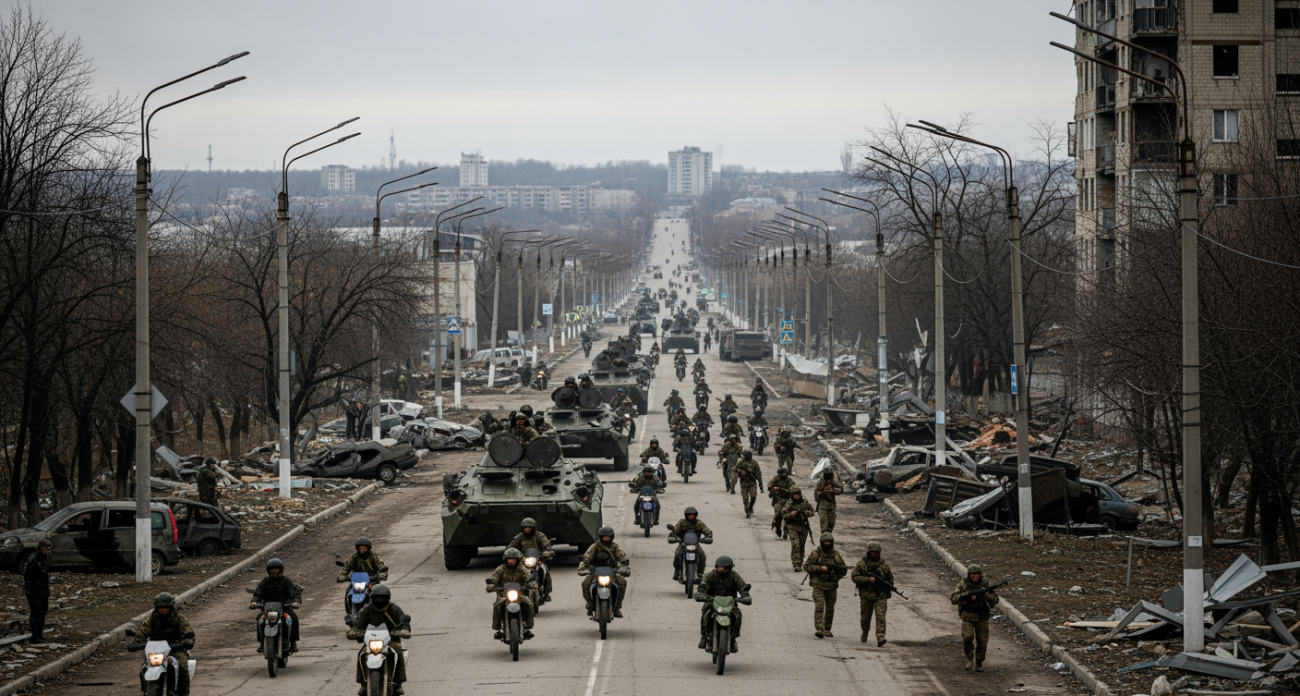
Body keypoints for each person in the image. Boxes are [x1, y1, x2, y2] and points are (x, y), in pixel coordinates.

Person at [347, 584, 410, 695]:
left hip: (391, 640)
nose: (379, 600)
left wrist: (404, 628)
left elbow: (402, 620)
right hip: (371, 640)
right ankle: (363, 683)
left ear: (388, 598)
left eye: (382, 597)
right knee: (361, 654)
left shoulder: (393, 608)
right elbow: (358, 620)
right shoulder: (367, 609)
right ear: (372, 598)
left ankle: (398, 683)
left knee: (399, 652)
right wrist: (355, 629)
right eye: (377, 597)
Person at [129, 594, 194, 696]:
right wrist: (137, 641)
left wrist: (188, 640)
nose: (163, 610)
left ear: (171, 607)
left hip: (175, 649)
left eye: (166, 608)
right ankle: (145, 688)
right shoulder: (151, 619)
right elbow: (142, 631)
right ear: (156, 608)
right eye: (161, 608)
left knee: (182, 668)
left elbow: (188, 631)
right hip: (156, 649)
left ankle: (183, 693)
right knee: (144, 667)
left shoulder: (179, 618)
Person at [951, 564, 1000, 672]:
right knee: (968, 637)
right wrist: (966, 595)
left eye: (977, 573)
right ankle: (969, 659)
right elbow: (954, 598)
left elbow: (995, 600)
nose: (975, 576)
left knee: (982, 641)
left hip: (982, 617)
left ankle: (979, 662)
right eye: (973, 574)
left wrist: (986, 595)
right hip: (968, 616)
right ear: (969, 575)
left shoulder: (985, 585)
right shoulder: (964, 584)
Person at [695, 556, 749, 653]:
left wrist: (745, 595)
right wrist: (701, 592)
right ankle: (704, 635)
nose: (719, 569)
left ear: (728, 568)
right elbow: (704, 584)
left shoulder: (734, 576)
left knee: (737, 615)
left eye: (722, 567)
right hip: (712, 602)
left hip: (729, 603)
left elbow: (742, 587)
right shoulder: (712, 575)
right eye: (718, 567)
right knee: (705, 613)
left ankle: (733, 638)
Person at [250, 558, 302, 653]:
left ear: (280, 571)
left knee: (293, 618)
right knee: (260, 619)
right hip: (268, 608)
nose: (274, 574)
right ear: (269, 572)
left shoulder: (286, 581)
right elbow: (257, 593)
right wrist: (254, 602)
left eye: (277, 572)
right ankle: (262, 643)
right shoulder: (265, 581)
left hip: (284, 607)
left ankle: (293, 642)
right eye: (272, 572)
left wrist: (296, 601)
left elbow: (295, 593)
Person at [803, 533, 847, 638]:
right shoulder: (816, 554)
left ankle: (827, 628)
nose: (827, 544)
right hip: (818, 585)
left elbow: (843, 569)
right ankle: (819, 628)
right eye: (825, 543)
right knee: (819, 606)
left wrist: (836, 575)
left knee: (830, 608)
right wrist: (819, 569)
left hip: (831, 586)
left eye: (829, 542)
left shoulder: (835, 555)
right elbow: (807, 566)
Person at [578, 527, 629, 618]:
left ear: (612, 537)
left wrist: (624, 567)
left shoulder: (616, 547)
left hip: (612, 573)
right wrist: (582, 568)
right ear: (600, 537)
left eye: (608, 537)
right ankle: (590, 604)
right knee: (585, 583)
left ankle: (617, 607)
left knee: (622, 582)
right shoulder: (594, 546)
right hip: (596, 573)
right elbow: (586, 558)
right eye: (604, 537)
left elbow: (622, 558)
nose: (606, 539)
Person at [487, 549, 536, 640]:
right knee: (497, 605)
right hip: (503, 595)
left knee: (528, 603)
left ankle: (528, 626)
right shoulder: (501, 569)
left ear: (517, 560)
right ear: (505, 560)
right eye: (509, 559)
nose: (511, 561)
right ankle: (498, 628)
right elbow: (494, 578)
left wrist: (531, 583)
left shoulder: (522, 568)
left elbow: (528, 576)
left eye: (513, 559)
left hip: (520, 594)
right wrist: (491, 585)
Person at [851, 542, 893, 646]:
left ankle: (880, 637)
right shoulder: (862, 564)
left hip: (880, 595)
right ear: (869, 552)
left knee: (880, 617)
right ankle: (865, 632)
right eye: (872, 552)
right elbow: (854, 577)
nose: (874, 554)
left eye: (876, 552)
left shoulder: (883, 566)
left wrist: (887, 586)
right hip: (866, 595)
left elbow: (890, 578)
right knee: (865, 618)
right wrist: (868, 580)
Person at [508, 518, 554, 600]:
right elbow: (511, 547)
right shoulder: (519, 537)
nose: (527, 529)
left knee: (545, 570)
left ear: (533, 528)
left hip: (537, 559)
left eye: (529, 527)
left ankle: (547, 593)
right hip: (523, 560)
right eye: (525, 527)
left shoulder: (539, 535)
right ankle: (513, 591)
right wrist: (511, 553)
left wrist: (548, 551)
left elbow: (546, 544)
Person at [668, 507, 712, 581]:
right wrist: (674, 538)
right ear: (686, 515)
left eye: (693, 515)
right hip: (683, 544)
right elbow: (674, 532)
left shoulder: (699, 523)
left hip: (695, 544)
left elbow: (707, 532)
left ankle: (700, 573)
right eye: (689, 515)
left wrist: (707, 538)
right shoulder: (681, 522)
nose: (691, 516)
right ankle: (677, 572)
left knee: (702, 556)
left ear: (695, 515)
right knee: (677, 555)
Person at [780, 488, 816, 571]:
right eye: (795, 495)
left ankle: (800, 562)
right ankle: (796, 564)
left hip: (803, 527)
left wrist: (807, 513)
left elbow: (812, 511)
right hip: (792, 527)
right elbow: (783, 514)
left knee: (801, 546)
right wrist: (790, 514)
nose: (797, 496)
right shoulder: (789, 503)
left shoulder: (804, 502)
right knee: (796, 545)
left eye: (798, 495)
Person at [24, 539, 50, 643]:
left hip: (42, 591)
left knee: (43, 612)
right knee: (36, 613)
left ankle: (39, 634)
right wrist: (31, 591)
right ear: (42, 547)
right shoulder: (34, 559)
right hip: (35, 592)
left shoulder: (43, 558)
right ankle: (35, 636)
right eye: (47, 548)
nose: (48, 551)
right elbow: (28, 577)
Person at [815, 469, 844, 533]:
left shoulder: (833, 482)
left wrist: (833, 490)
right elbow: (816, 497)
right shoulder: (820, 483)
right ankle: (824, 539)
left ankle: (828, 539)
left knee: (831, 525)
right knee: (824, 526)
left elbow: (841, 489)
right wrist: (823, 492)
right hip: (822, 506)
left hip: (831, 506)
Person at [768, 467, 794, 538]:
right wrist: (771, 489)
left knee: (786, 516)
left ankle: (785, 532)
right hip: (777, 500)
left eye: (785, 474)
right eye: (782, 474)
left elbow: (792, 490)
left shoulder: (789, 480)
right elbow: (770, 484)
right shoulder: (776, 478)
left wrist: (781, 489)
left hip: (787, 501)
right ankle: (778, 528)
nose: (783, 475)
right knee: (778, 515)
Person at [735, 450, 765, 514]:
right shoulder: (741, 462)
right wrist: (740, 472)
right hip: (744, 482)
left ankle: (750, 506)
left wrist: (761, 486)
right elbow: (735, 469)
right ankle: (747, 510)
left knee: (753, 496)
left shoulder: (754, 463)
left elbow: (758, 474)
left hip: (752, 482)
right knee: (745, 498)